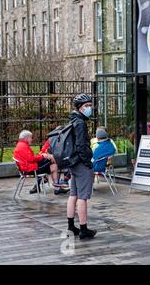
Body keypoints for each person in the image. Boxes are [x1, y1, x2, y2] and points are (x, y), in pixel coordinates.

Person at [66, 94, 97, 240]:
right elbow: (80, 145)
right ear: (79, 107)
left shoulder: (73, 120)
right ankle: (84, 229)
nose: (89, 108)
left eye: (90, 105)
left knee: (73, 195)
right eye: (86, 106)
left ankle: (71, 226)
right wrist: (87, 162)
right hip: (80, 163)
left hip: (73, 163)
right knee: (82, 198)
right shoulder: (80, 123)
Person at [13, 130, 54, 194]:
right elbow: (31, 159)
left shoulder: (20, 144)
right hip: (29, 169)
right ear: (27, 138)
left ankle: (40, 182)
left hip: (26, 167)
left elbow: (30, 157)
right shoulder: (23, 146)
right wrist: (43, 156)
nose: (31, 139)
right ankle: (56, 184)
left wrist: (41, 156)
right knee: (50, 161)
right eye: (31, 138)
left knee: (48, 163)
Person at [40, 125, 69, 195]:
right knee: (66, 163)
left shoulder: (51, 139)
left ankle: (58, 186)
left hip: (48, 159)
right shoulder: (58, 139)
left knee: (59, 164)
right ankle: (63, 182)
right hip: (47, 160)